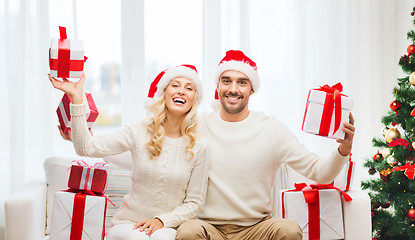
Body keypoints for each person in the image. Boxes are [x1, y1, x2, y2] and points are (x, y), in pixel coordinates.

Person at [175, 50, 356, 240]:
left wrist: (343, 150)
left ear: (252, 89)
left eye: (242, 82)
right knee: (188, 231)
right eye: (227, 81)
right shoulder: (197, 126)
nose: (233, 89)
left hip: (257, 228)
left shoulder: (271, 129)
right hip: (208, 227)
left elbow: (320, 172)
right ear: (218, 86)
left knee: (289, 230)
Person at [48, 64, 210, 240]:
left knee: (160, 238)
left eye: (189, 88)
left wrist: (161, 221)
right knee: (138, 238)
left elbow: (194, 202)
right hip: (128, 224)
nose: (181, 91)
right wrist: (76, 97)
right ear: (164, 92)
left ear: (195, 99)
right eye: (175, 85)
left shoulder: (199, 146)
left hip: (168, 227)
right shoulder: (140, 130)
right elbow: (87, 147)